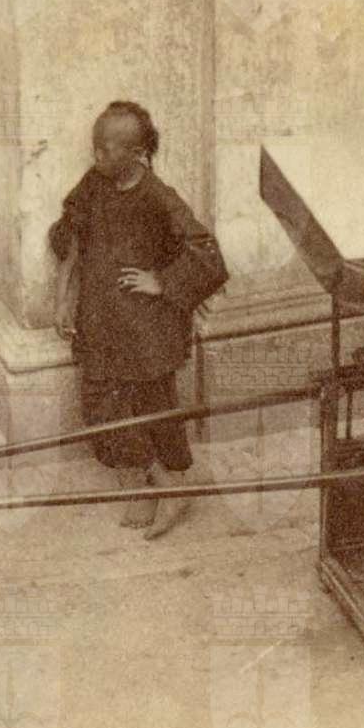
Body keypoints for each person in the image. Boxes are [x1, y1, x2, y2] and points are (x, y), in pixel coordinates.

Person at [49, 101, 229, 540]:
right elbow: (71, 239)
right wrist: (63, 298)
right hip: (101, 320)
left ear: (137, 153)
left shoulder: (158, 198)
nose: (97, 155)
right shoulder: (94, 184)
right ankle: (145, 480)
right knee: (101, 404)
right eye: (95, 146)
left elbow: (208, 256)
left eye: (107, 148)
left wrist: (161, 281)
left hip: (147, 328)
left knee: (156, 406)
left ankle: (175, 483)